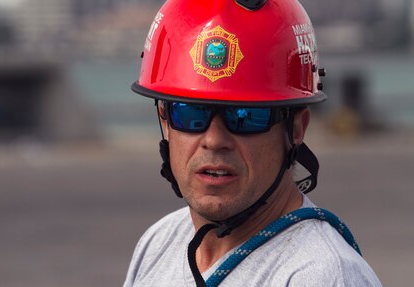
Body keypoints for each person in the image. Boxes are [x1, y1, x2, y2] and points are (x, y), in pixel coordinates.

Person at [124, 0, 382, 286]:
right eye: (190, 112)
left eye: (245, 116)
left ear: (296, 128)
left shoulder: (322, 276)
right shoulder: (159, 242)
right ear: (164, 120)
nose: (214, 140)